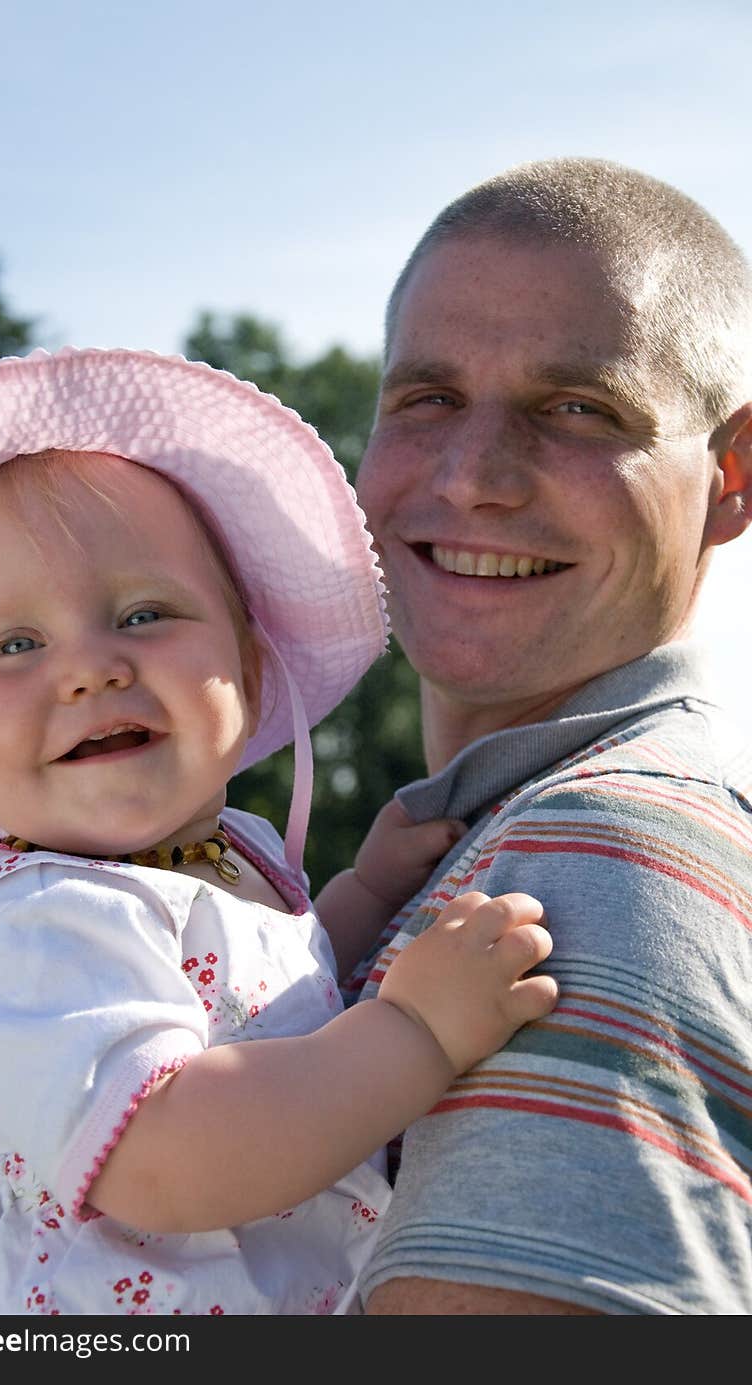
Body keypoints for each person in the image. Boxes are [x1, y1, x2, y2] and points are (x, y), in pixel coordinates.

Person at [0, 347, 557, 1316]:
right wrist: (414, 1029)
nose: (92, 668)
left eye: (145, 613)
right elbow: (173, 1152)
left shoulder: (226, 854)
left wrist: (362, 898)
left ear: (247, 661)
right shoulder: (29, 933)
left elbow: (267, 1011)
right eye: (14, 644)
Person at [342, 157, 752, 1316]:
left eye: (576, 408)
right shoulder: (480, 841)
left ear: (730, 474)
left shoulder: (586, 860)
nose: (472, 478)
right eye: (425, 398)